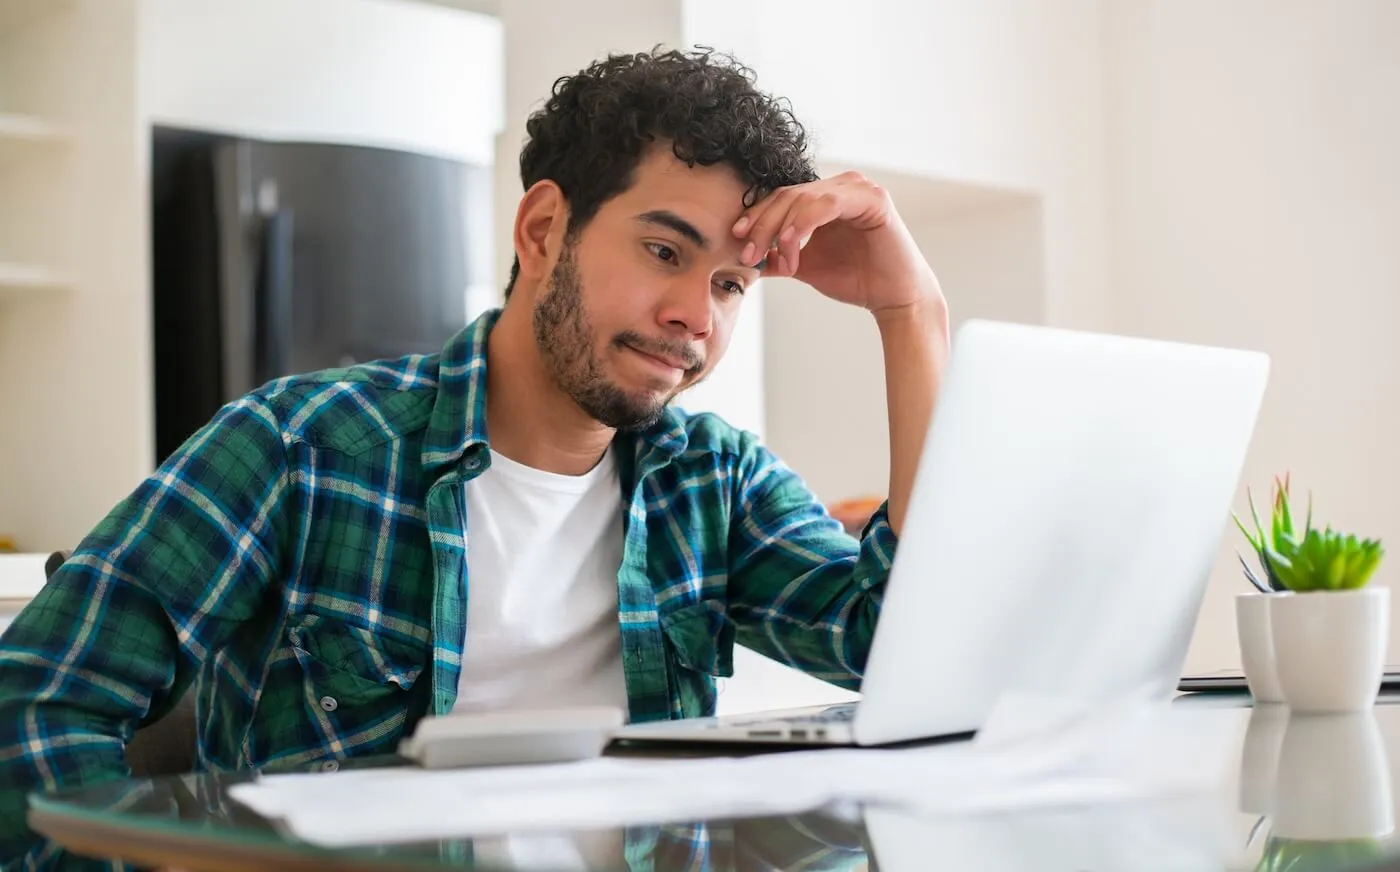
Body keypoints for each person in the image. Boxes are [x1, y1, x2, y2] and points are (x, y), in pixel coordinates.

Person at [0, 47, 948, 868]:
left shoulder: (718, 482)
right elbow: (35, 709)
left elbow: (901, 653)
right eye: (665, 251)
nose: (696, 319)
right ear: (543, 231)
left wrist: (913, 316)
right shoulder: (302, 447)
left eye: (732, 283)